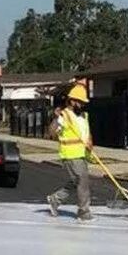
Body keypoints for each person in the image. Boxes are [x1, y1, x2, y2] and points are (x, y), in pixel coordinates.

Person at [47, 84, 94, 222]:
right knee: (82, 182)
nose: (82, 104)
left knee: (77, 182)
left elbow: (86, 132)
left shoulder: (84, 116)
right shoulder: (65, 115)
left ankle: (55, 199)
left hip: (83, 154)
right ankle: (84, 212)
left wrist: (90, 142)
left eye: (83, 102)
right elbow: (51, 132)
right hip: (70, 154)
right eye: (80, 101)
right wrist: (56, 118)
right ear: (72, 101)